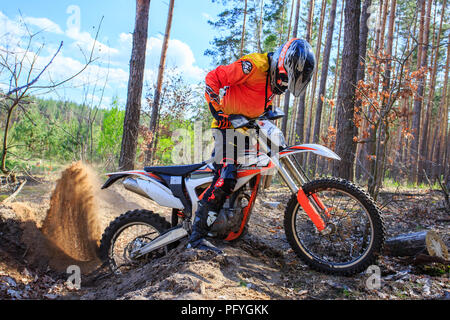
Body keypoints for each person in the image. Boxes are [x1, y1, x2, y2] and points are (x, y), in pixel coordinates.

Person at [187, 38, 316, 253]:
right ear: (281, 64)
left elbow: (255, 98)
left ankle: (233, 228)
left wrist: (267, 112)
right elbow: (213, 78)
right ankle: (196, 238)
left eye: (289, 82)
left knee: (251, 177)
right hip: (226, 129)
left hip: (249, 130)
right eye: (285, 79)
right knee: (226, 178)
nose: (284, 85)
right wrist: (218, 111)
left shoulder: (275, 78)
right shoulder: (253, 65)